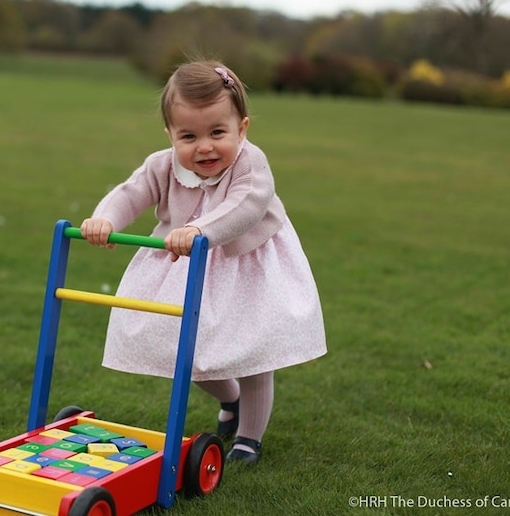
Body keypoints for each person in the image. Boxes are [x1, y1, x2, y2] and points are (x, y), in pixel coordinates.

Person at [80, 59, 327, 464]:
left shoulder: (250, 162)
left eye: (217, 132)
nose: (205, 146)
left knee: (251, 354)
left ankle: (249, 437)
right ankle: (229, 399)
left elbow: (246, 205)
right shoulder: (163, 165)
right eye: (189, 136)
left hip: (247, 265)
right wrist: (105, 218)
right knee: (187, 352)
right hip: (189, 265)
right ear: (170, 134)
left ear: (241, 128)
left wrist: (199, 230)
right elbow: (131, 191)